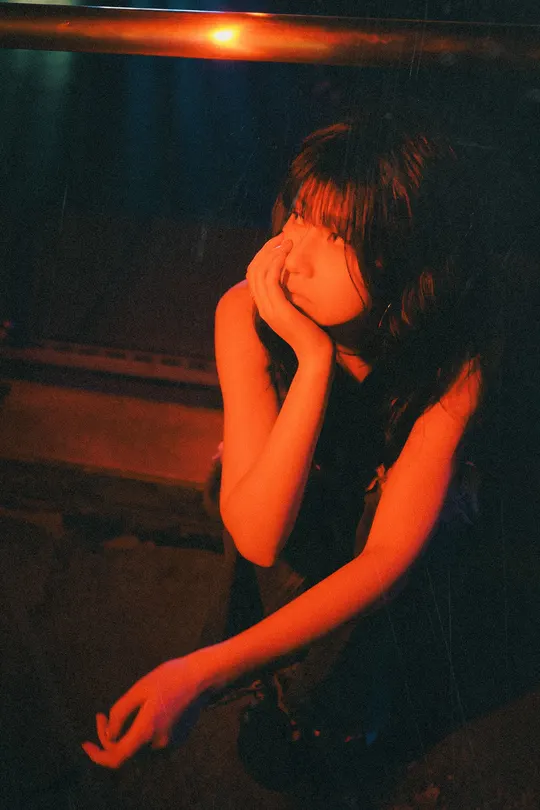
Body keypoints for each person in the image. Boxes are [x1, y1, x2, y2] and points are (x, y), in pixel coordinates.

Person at [82, 109, 506, 781]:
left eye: (337, 234)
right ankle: (280, 689)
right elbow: (258, 536)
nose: (293, 253)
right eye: (301, 214)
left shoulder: (453, 356)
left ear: (400, 256)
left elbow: (387, 558)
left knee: (367, 642)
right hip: (293, 490)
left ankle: (338, 718)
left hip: (385, 503)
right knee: (270, 544)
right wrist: (311, 362)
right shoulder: (246, 313)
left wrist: (200, 675)